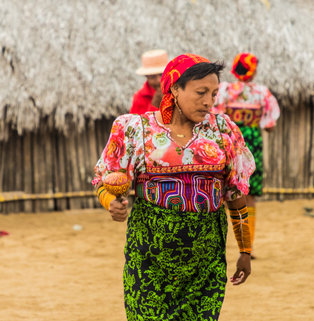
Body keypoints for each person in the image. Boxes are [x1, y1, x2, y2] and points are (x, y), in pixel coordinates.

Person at [93, 54, 255, 320]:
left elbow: (235, 196)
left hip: (205, 265)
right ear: (175, 89)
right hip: (150, 264)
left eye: (214, 94)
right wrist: (109, 202)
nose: (208, 102)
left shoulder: (223, 131)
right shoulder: (137, 129)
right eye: (200, 92)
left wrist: (245, 251)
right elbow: (103, 178)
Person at [212, 53, 280, 257]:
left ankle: (218, 245)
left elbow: (214, 116)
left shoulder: (223, 90)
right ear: (252, 70)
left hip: (228, 141)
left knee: (222, 191)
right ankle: (246, 247)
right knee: (248, 195)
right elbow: (269, 125)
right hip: (251, 144)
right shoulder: (262, 93)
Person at [129, 49, 169, 114]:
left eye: (162, 74)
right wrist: (154, 104)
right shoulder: (139, 98)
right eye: (153, 77)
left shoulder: (179, 90)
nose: (159, 80)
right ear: (146, 77)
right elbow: (136, 123)